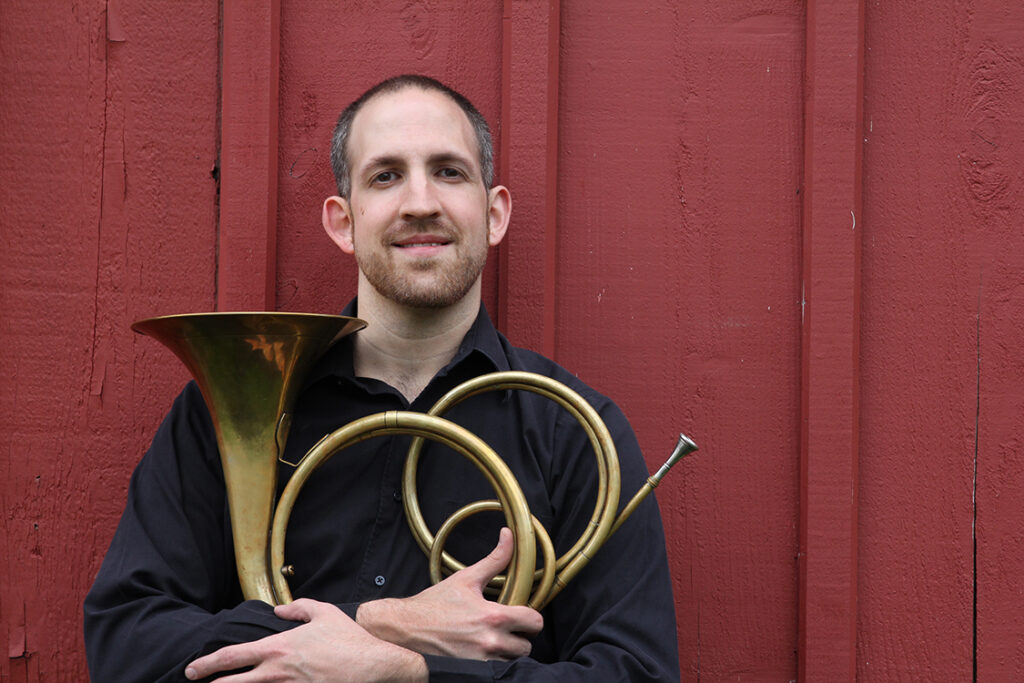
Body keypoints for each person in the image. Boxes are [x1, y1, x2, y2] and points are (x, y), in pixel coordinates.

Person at [84, 75, 680, 682]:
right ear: (343, 222)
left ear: (494, 213)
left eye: (449, 171)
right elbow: (126, 644)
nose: (420, 202)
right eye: (385, 176)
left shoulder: (575, 429)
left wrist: (408, 672)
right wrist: (382, 619)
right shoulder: (228, 408)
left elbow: (636, 673)